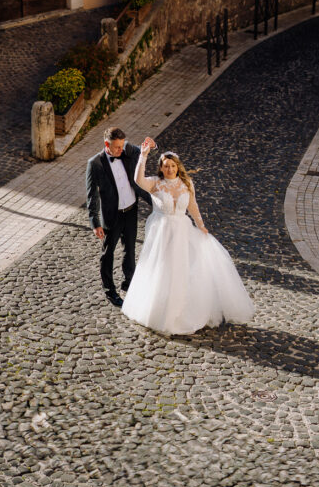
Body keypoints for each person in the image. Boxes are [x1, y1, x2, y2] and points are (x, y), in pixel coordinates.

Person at [122, 139, 256, 335]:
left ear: (178, 167)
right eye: (166, 166)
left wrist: (201, 225)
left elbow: (192, 205)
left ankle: (181, 310)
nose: (169, 169)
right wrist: (143, 155)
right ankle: (159, 310)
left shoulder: (187, 183)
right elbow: (137, 180)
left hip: (182, 230)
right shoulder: (155, 183)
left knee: (182, 268)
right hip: (162, 232)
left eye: (173, 166)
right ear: (161, 168)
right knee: (162, 268)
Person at [85, 127, 152, 307]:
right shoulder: (95, 163)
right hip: (112, 215)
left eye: (122, 146)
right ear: (106, 144)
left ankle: (128, 284)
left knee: (129, 250)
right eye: (116, 147)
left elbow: (142, 150)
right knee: (108, 253)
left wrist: (152, 145)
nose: (120, 150)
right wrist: (95, 222)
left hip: (130, 211)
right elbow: (92, 196)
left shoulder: (127, 149)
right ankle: (110, 291)